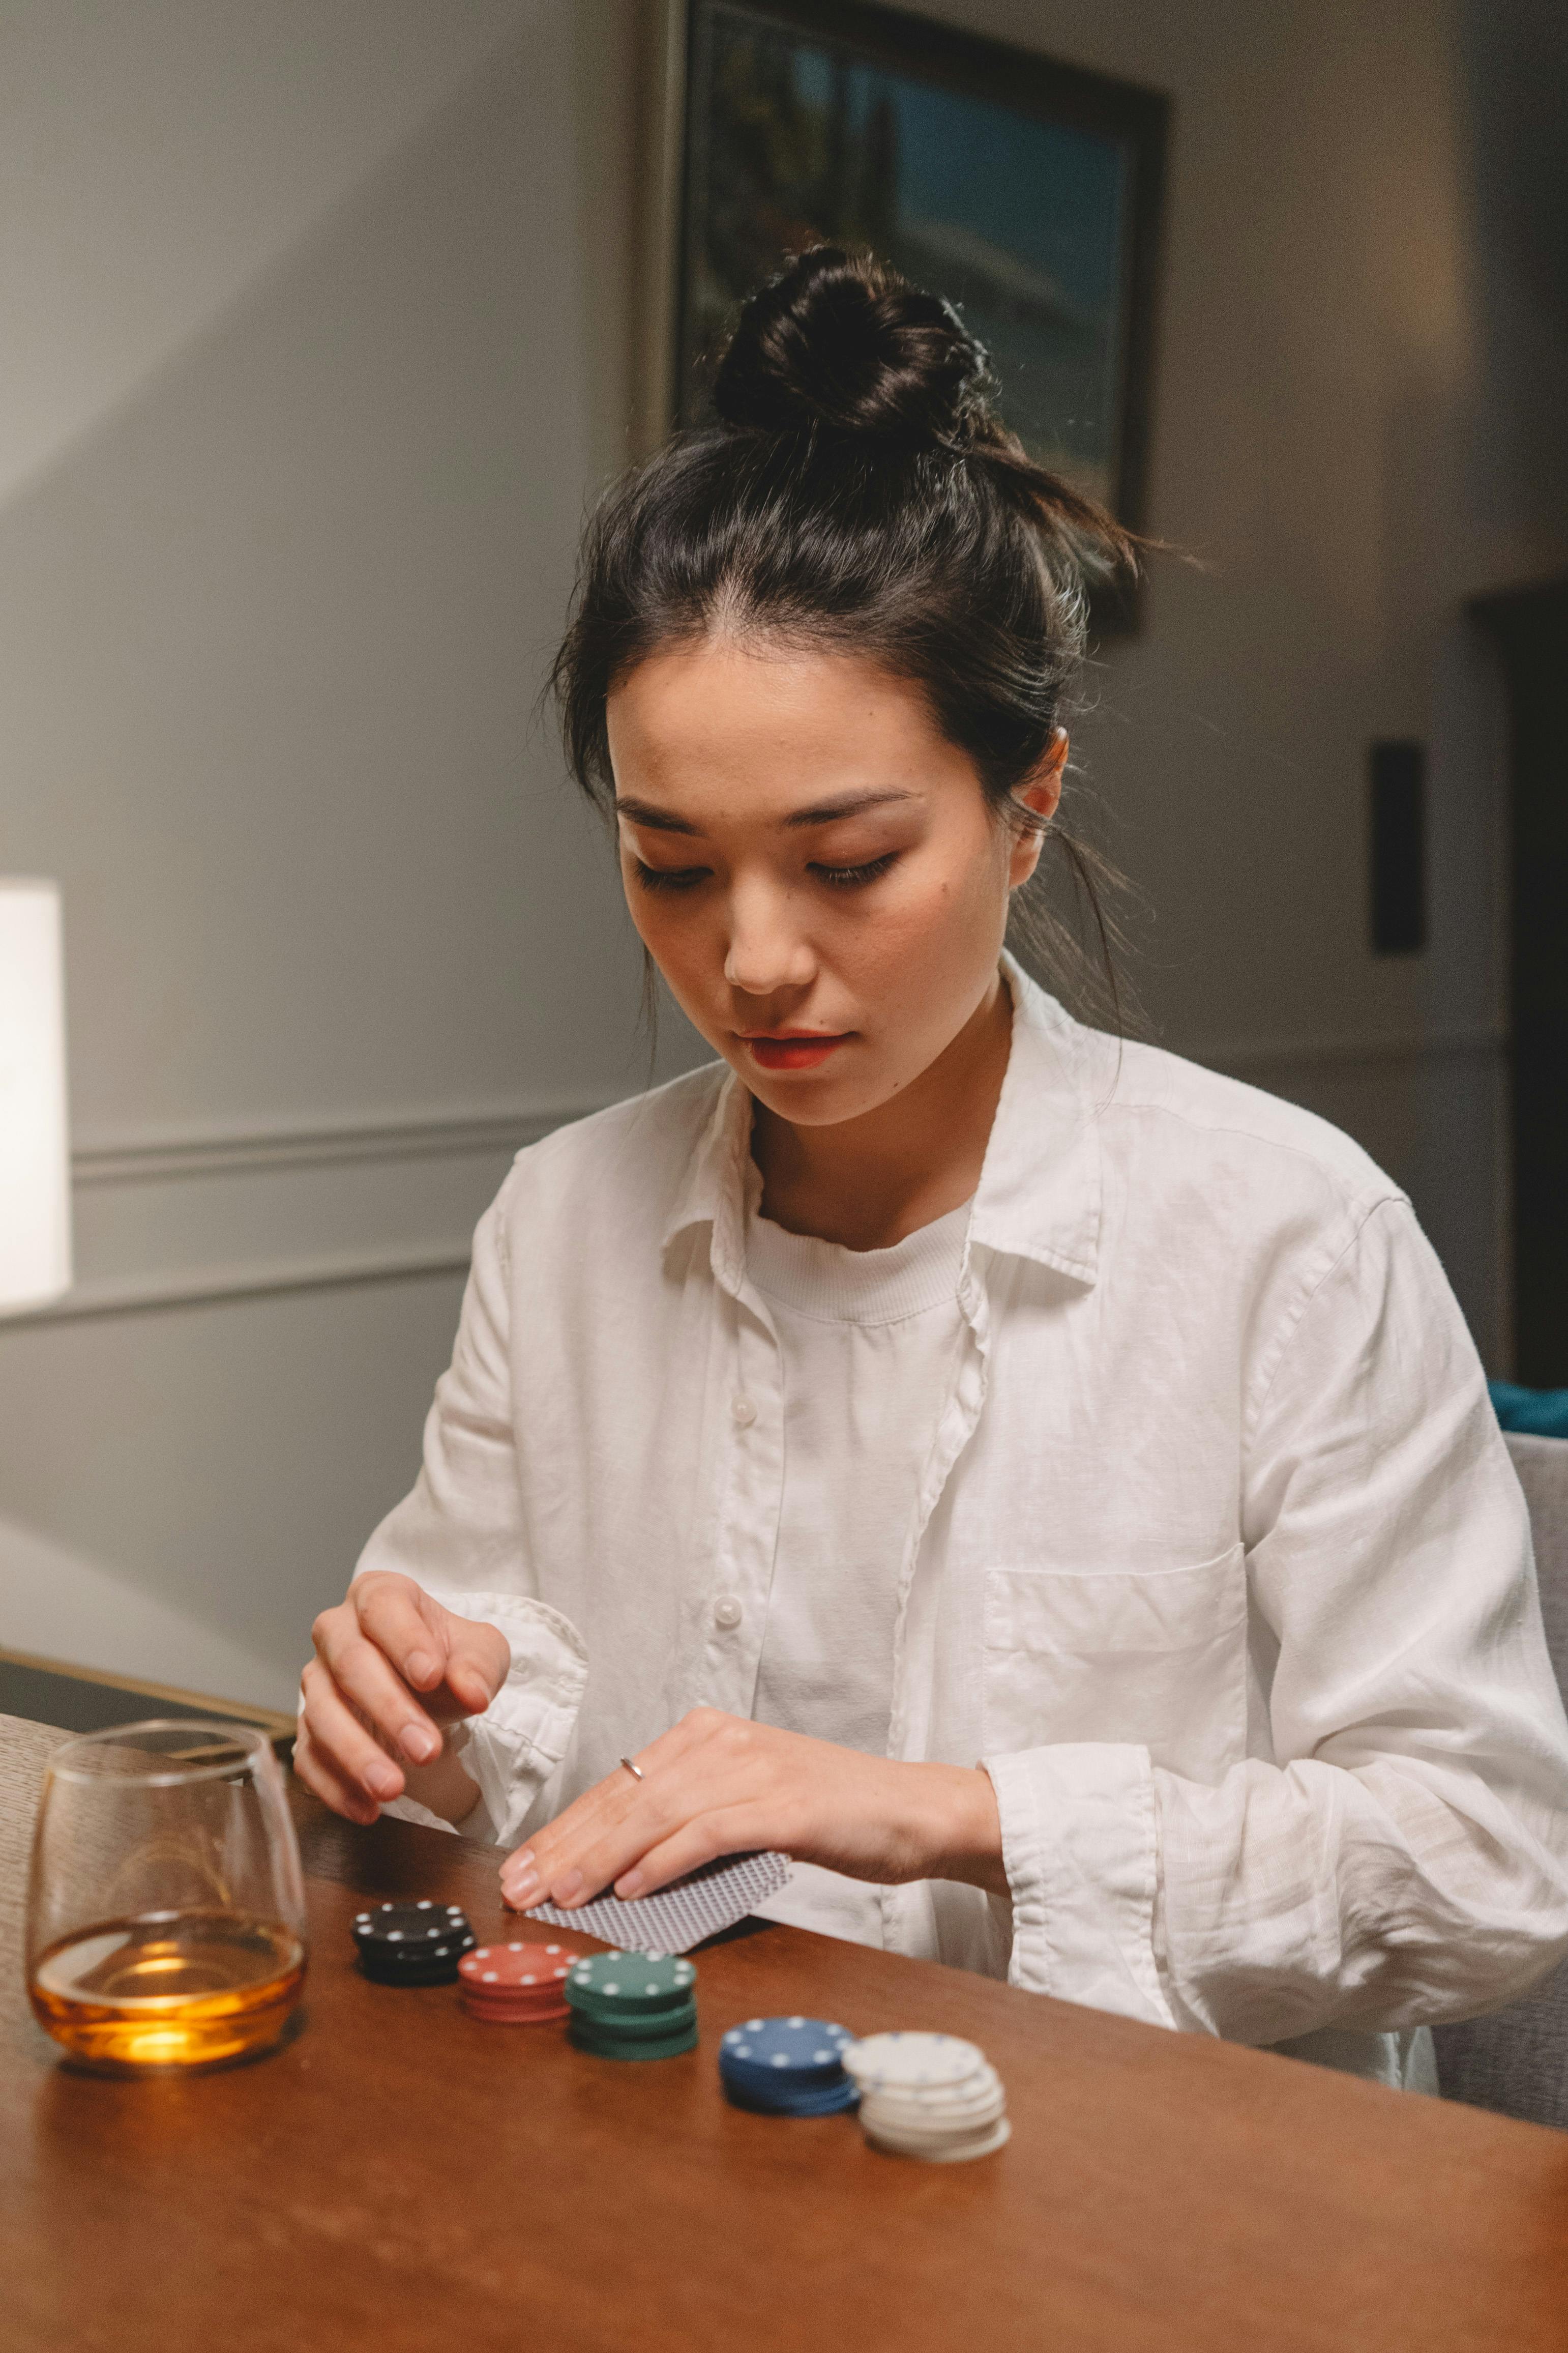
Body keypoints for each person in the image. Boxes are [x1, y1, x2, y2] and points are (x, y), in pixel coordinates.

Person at [298, 247, 1568, 2085]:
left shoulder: (1283, 1234)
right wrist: (400, 1709)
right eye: (670, 864)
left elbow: (1487, 1863)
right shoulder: (561, 1219)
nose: (746, 960)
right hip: (692, 2129)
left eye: (844, 861)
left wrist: (947, 1812)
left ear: (1024, 807)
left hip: (1160, 2193)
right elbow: (478, 1718)